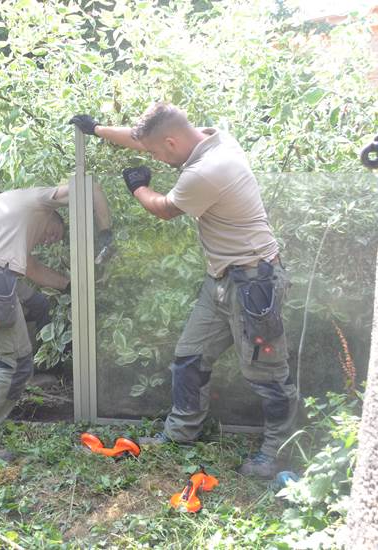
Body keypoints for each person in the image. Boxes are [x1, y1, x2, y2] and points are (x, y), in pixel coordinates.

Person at [70, 103, 298, 478]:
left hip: (255, 286)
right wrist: (97, 130)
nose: (156, 158)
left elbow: (163, 208)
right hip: (222, 280)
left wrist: (138, 187)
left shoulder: (206, 171)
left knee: (267, 373)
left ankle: (276, 450)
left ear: (173, 143)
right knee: (190, 357)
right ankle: (181, 434)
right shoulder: (211, 137)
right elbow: (147, 138)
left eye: (159, 154)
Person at [0, 183, 112, 460]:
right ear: (51, 213)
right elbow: (91, 188)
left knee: (36, 304)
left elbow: (34, 270)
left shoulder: (11, 229)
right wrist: (106, 233)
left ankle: (28, 372)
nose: (51, 240)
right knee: (13, 363)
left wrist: (75, 287)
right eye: (56, 233)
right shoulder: (39, 199)